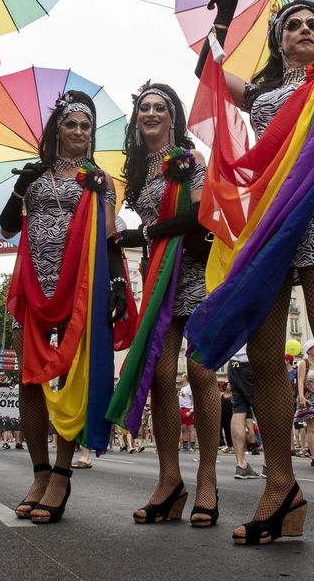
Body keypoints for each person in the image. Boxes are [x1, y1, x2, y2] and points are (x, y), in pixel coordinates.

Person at [183, 0, 314, 561]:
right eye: (293, 24)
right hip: (265, 222)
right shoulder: (265, 92)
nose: (305, 30)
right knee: (265, 357)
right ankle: (280, 486)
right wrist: (222, 19)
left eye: (313, 25)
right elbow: (209, 71)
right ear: (277, 37)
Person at [0, 89, 129, 525]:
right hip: (33, 286)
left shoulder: (100, 179)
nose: (77, 131)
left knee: (73, 379)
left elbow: (111, 233)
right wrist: (21, 185)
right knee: (29, 381)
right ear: (56, 129)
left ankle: (61, 472)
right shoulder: (34, 177)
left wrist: (115, 283)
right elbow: (5, 227)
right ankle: (38, 472)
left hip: (80, 288)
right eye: (70, 123)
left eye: (84, 125)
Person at [107, 84, 222, 525]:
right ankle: (169, 480)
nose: (152, 113)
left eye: (160, 107)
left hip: (194, 269)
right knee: (157, 372)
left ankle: (208, 481)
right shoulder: (136, 174)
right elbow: (142, 221)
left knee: (200, 370)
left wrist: (150, 235)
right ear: (138, 119)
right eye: (145, 108)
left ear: (173, 117)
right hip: (157, 276)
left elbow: (199, 214)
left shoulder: (190, 162)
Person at [226, 347, 263, 479]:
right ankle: (271, 465)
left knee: (238, 410)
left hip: (233, 363)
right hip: (250, 362)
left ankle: (241, 464)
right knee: (263, 409)